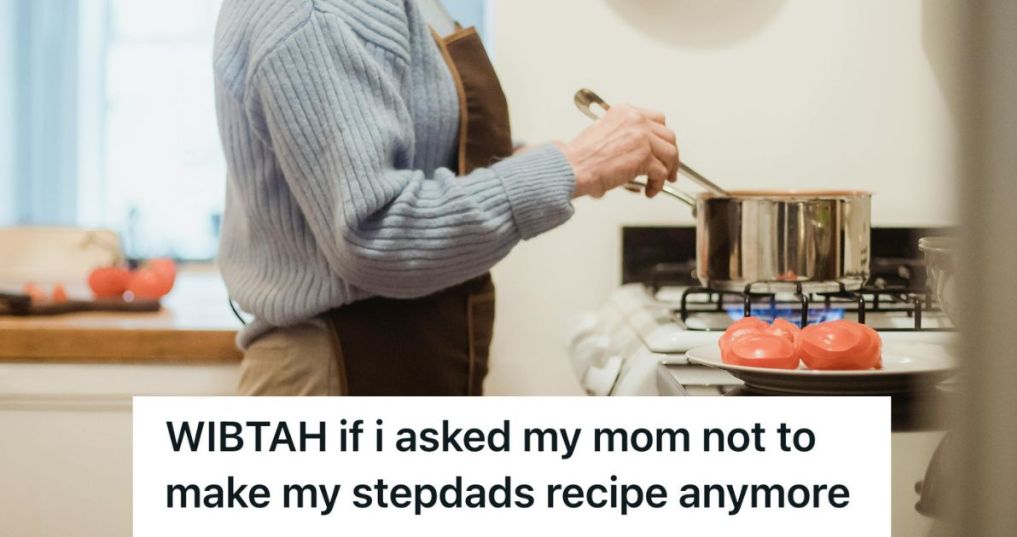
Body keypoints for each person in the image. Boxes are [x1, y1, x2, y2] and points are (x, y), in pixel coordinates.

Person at [212, 0, 680, 396]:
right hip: (338, 372)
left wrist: (533, 158)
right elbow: (376, 234)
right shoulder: (319, 12)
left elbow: (416, 151)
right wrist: (576, 165)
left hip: (405, 356)